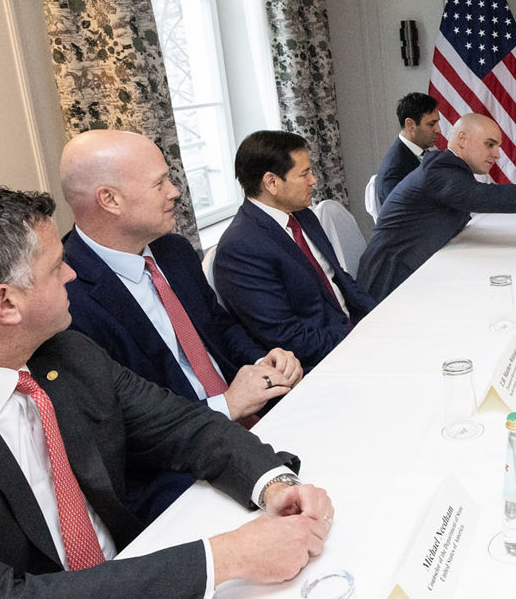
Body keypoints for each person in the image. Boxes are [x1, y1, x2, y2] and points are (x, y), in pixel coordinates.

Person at [0, 184, 333, 599]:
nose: (74, 273)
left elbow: (184, 426)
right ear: (6, 303)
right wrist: (227, 557)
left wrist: (273, 485)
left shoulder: (64, 352)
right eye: (56, 268)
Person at [59, 130, 304, 521]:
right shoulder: (67, 298)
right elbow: (117, 432)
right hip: (178, 474)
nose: (175, 192)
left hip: (257, 422)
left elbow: (220, 327)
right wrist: (225, 406)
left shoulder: (172, 250)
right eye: (160, 183)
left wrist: (263, 361)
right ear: (110, 200)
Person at [356, 113, 516, 301]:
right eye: (490, 144)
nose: (497, 154)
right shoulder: (439, 169)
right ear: (463, 139)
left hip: (417, 267)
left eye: (498, 146)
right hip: (391, 279)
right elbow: (483, 196)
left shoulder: (451, 167)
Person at [214, 130, 378, 371]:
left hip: (354, 336)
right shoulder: (241, 248)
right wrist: (359, 342)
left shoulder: (303, 215)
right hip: (324, 363)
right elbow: (288, 338)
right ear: (271, 182)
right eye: (304, 174)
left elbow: (340, 279)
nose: (313, 180)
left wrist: (381, 315)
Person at [376, 92, 440, 210]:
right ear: (410, 125)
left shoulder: (429, 154)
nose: (438, 130)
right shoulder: (394, 170)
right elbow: (401, 219)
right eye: (431, 124)